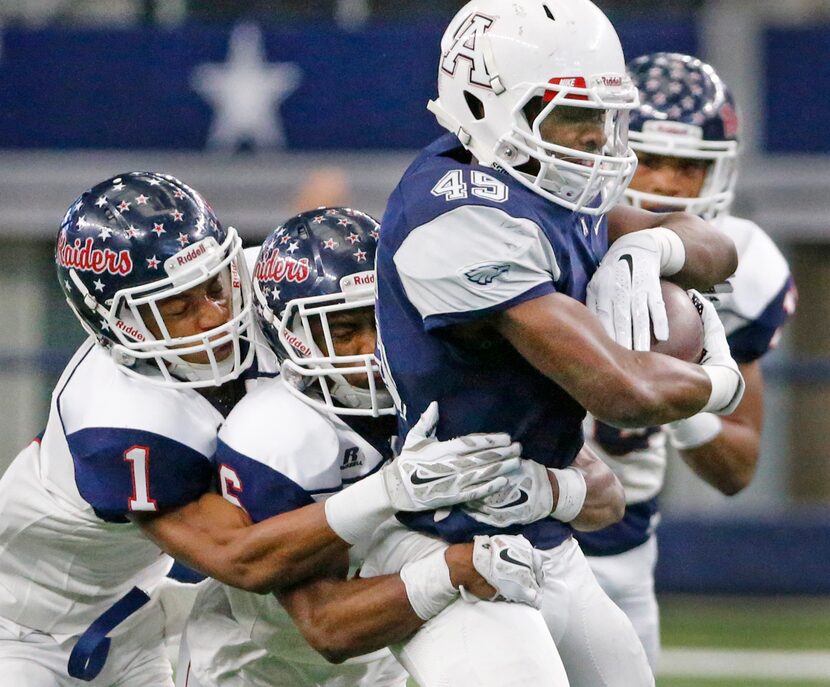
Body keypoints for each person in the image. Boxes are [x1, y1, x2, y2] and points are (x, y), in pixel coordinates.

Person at [0, 174, 530, 687]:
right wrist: (390, 489)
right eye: (175, 307)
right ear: (113, 323)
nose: (213, 316)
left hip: (144, 610)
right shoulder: (116, 419)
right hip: (23, 627)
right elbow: (242, 558)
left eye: (212, 286)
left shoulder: (256, 288)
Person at [371, 1, 746, 685]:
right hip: (444, 538)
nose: (601, 140)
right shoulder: (456, 212)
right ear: (488, 105)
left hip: (539, 529)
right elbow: (620, 392)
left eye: (608, 115)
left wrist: (654, 243)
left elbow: (717, 249)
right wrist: (722, 380)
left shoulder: (544, 186)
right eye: (575, 114)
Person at [176, 207, 563, 687]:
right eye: (343, 331)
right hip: (260, 664)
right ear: (290, 335)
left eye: (382, 321)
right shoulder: (277, 433)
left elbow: (604, 499)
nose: (372, 349)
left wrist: (554, 490)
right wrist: (454, 566)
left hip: (381, 651)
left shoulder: (448, 382)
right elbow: (326, 627)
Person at [576, 52, 798, 669]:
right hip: (501, 530)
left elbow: (738, 466)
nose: (668, 185)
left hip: (622, 549)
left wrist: (681, 395)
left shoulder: (744, 263)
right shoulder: (545, 235)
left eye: (689, 167)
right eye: (650, 159)